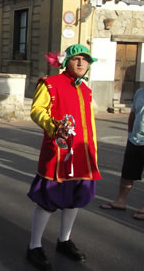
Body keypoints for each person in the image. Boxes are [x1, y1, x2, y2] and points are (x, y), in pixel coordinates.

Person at [26, 44, 101, 270]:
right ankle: (34, 246)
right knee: (48, 201)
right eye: (76, 59)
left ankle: (64, 240)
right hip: (58, 155)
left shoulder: (86, 90)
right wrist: (53, 126)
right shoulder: (50, 83)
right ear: (66, 61)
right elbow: (37, 110)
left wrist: (93, 153)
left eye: (85, 60)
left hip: (82, 155)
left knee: (74, 200)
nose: (81, 63)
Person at [100, 87, 144, 220]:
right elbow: (133, 114)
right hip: (135, 140)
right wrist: (130, 134)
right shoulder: (139, 92)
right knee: (127, 173)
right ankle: (120, 201)